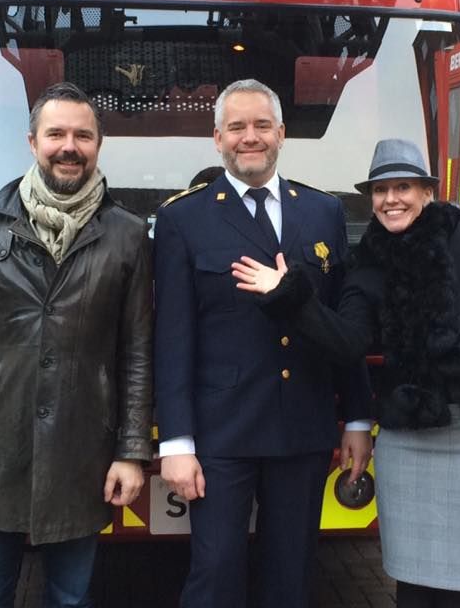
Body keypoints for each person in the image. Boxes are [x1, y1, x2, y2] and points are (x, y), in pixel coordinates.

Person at [232, 84, 460, 608]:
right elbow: (347, 341)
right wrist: (291, 297)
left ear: (427, 192)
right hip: (408, 442)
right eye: (380, 191)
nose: (391, 199)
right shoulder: (369, 266)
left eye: (403, 187)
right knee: (413, 587)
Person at [0, 81, 153, 608]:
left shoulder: (127, 235)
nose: (69, 146)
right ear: (32, 142)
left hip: (81, 447)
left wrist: (131, 452)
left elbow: (137, 353)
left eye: (83, 135)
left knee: (72, 600)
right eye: (56, 134)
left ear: (98, 144)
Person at [153, 78, 374, 608]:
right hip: (223, 432)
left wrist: (360, 420)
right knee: (216, 572)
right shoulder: (183, 218)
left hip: (303, 426)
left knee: (292, 576)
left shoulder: (322, 213)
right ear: (217, 139)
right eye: (236, 127)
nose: (248, 137)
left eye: (260, 126)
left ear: (280, 133)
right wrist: (176, 442)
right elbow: (173, 339)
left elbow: (339, 328)